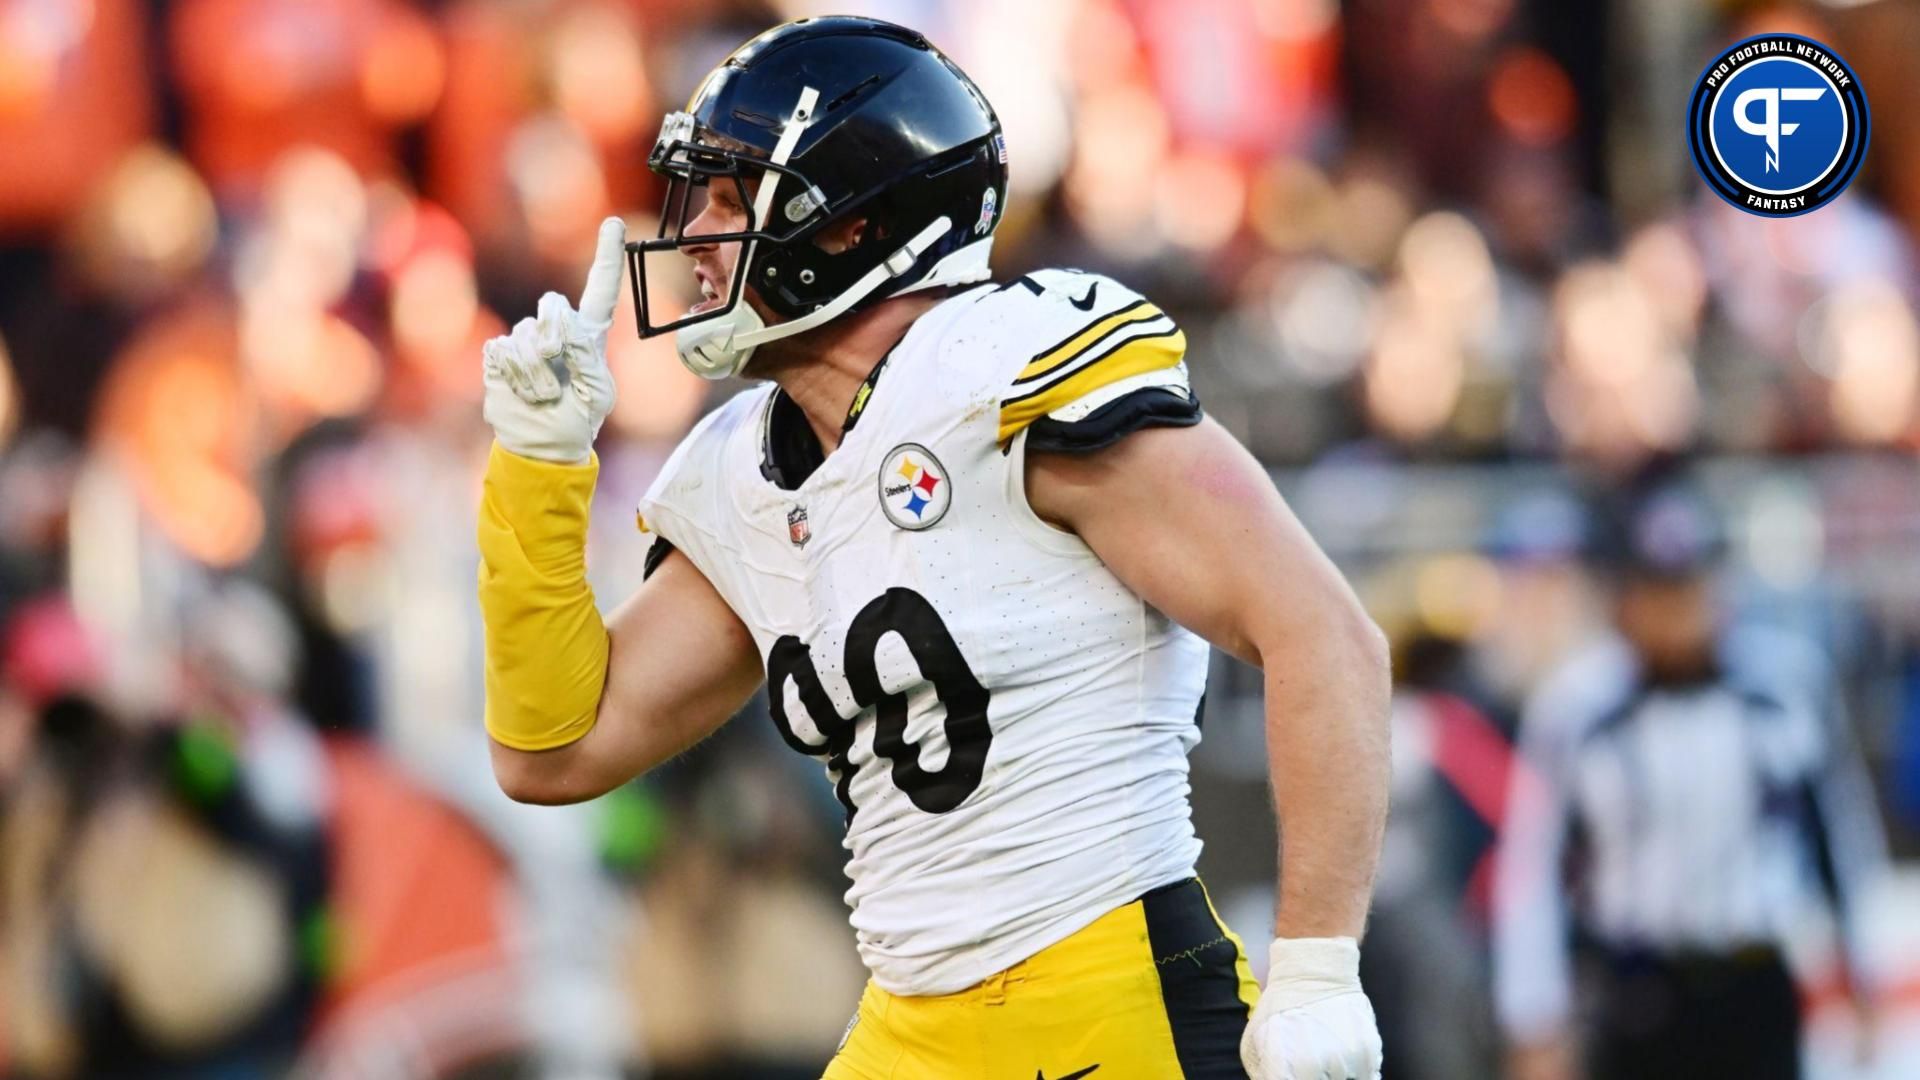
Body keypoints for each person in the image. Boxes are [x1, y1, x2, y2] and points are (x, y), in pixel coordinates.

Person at [475, 17, 1390, 1080]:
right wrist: (536, 467)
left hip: (1109, 996)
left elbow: (1324, 632)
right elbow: (551, 751)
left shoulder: (1007, 370)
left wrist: (1320, 965)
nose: (696, 235)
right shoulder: (742, 469)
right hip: (911, 1025)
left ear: (847, 226)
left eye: (732, 200)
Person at [1492, 478, 1887, 1080]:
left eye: (1690, 590)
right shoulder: (1577, 706)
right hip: (1636, 990)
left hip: (1754, 978)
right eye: (1657, 595)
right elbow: (1533, 868)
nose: (1676, 616)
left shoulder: (1784, 686)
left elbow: (1840, 831)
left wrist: (1863, 972)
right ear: (1625, 599)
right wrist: (1535, 1016)